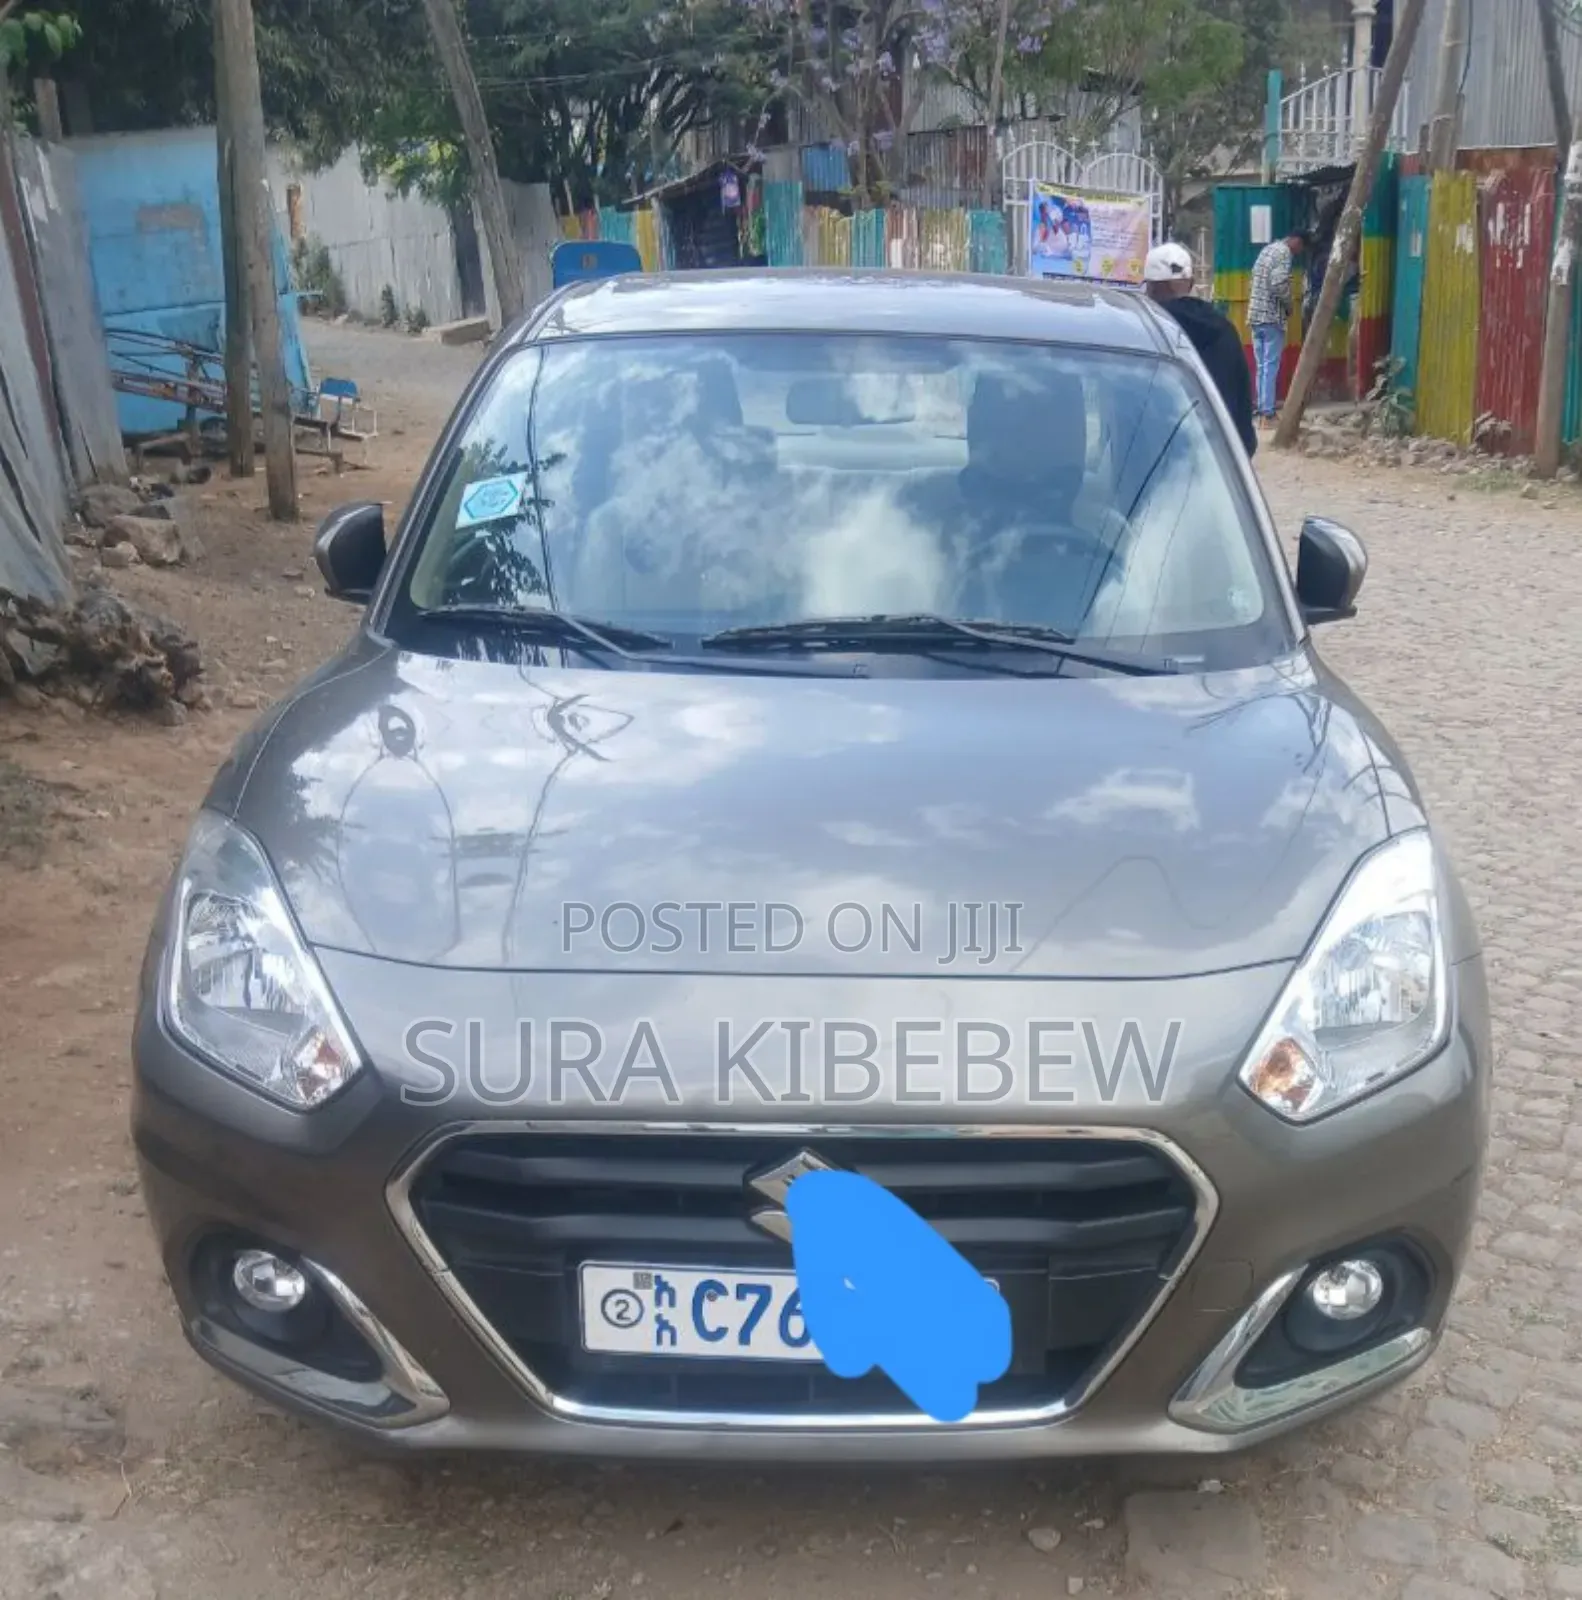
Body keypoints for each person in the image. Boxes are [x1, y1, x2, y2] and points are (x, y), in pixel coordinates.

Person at [1143, 242, 1257, 457]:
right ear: (1191, 283)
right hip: (1219, 464)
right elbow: (1243, 415)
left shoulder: (1147, 330)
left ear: (1152, 287)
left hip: (1159, 467)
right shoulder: (1226, 330)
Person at [1247, 230, 1309, 427]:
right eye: (1300, 248)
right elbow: (1278, 283)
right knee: (1270, 365)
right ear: (1296, 241)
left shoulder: (1267, 251)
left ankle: (1262, 412)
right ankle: (1268, 414)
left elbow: (1254, 280)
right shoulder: (1283, 253)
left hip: (1256, 316)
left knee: (1262, 367)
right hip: (1272, 317)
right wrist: (1290, 305)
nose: (1298, 252)